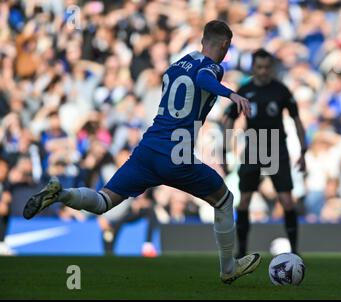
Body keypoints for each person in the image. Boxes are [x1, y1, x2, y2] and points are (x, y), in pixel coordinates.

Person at [22, 20, 261, 284]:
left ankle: (61, 194)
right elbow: (204, 78)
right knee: (224, 200)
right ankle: (228, 268)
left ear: (203, 40)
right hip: (176, 153)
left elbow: (182, 79)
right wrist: (231, 95)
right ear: (225, 45)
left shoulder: (177, 64)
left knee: (104, 201)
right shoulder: (213, 68)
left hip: (147, 149)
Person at [223, 49, 308, 258]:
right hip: (253, 148)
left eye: (266, 67)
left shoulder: (281, 91)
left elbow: (297, 120)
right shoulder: (245, 90)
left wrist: (303, 151)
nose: (263, 71)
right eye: (259, 67)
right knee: (244, 201)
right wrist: (226, 149)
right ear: (253, 67)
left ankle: (295, 250)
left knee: (287, 201)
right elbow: (229, 119)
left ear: (271, 68)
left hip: (277, 147)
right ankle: (241, 250)